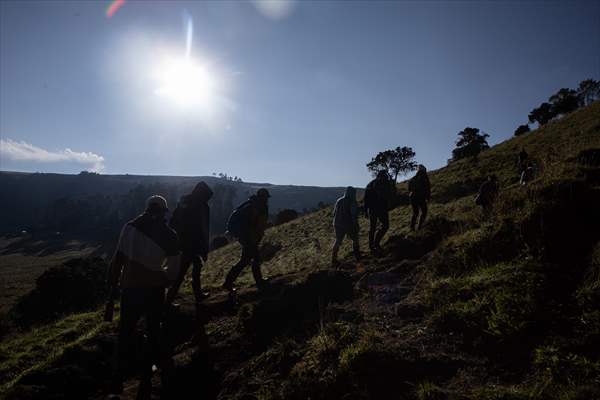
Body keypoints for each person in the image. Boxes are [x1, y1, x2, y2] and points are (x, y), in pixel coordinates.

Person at [106, 195, 180, 399]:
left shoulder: (129, 227)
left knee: (125, 333)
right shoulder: (169, 234)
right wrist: (162, 280)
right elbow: (174, 270)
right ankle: (146, 378)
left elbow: (117, 259)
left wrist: (113, 287)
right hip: (154, 291)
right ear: (163, 212)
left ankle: (117, 378)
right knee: (153, 331)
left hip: (129, 289)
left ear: (147, 208)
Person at [166, 182, 213, 306]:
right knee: (185, 271)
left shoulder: (184, 202)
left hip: (183, 243)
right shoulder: (202, 206)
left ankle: (171, 299)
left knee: (188, 269)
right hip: (192, 244)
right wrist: (204, 248)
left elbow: (174, 222)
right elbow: (203, 228)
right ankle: (169, 300)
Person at [222, 188, 270, 292]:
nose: (267, 199)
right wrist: (252, 237)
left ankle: (229, 282)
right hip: (248, 237)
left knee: (246, 260)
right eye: (266, 197)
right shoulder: (255, 207)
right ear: (263, 197)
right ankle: (257, 281)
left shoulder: (253, 204)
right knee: (251, 259)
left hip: (247, 237)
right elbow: (251, 225)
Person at [364, 170, 395, 253]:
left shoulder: (370, 184)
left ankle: (372, 246)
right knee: (385, 225)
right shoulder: (386, 183)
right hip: (382, 208)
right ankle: (376, 243)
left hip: (372, 209)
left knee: (372, 228)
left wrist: (365, 210)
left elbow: (366, 199)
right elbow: (390, 195)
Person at [331, 186, 361, 268]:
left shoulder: (339, 200)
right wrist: (356, 225)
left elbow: (334, 213)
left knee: (338, 241)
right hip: (348, 224)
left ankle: (334, 259)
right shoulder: (352, 201)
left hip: (337, 223)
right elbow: (353, 215)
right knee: (355, 239)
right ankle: (357, 256)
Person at [408, 164, 431, 231]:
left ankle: (412, 228)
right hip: (420, 197)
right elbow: (427, 188)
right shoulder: (424, 177)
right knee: (424, 212)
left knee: (415, 212)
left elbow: (409, 188)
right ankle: (419, 227)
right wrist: (428, 197)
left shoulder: (413, 178)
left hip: (412, 197)